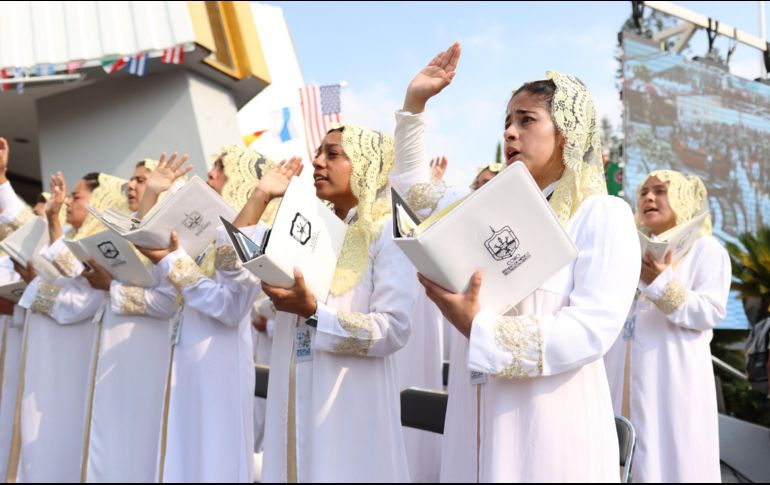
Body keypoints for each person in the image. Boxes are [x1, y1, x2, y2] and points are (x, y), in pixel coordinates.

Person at [391, 42, 641, 482]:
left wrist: (479, 327)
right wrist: (415, 105)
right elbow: (413, 193)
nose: (510, 132)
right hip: (475, 421)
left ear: (566, 132)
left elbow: (591, 330)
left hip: (552, 431)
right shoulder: (486, 212)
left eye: (526, 120)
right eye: (507, 122)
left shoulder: (600, 215)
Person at [232, 125, 414, 482]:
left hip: (347, 399)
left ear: (365, 164)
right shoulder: (308, 224)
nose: (317, 162)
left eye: (332, 154)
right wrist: (259, 196)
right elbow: (233, 259)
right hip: (293, 384)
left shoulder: (386, 231)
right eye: (318, 153)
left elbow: (394, 328)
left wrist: (314, 313)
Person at [138, 147, 276, 482]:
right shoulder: (205, 235)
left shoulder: (257, 237)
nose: (210, 173)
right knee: (180, 456)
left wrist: (172, 262)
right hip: (184, 358)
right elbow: (156, 265)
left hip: (218, 365)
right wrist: (152, 195)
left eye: (221, 168)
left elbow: (230, 308)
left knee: (212, 459)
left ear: (243, 181)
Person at [604, 170, 730, 483]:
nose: (648, 197)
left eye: (660, 191)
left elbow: (709, 312)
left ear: (682, 199)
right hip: (620, 372)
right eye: (644, 191)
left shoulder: (706, 250)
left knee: (672, 458)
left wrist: (659, 282)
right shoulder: (629, 252)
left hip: (672, 378)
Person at [8, 170, 127, 482]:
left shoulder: (101, 249)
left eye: (77, 196)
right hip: (46, 359)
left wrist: (34, 288)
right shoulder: (71, 241)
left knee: (57, 447)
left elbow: (79, 304)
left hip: (70, 364)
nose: (69, 202)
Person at [79, 158, 185, 482]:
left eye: (143, 180)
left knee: (136, 446)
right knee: (107, 439)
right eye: (134, 180)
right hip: (114, 352)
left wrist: (111, 287)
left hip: (146, 355)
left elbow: (169, 300)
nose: (134, 187)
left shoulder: (169, 239)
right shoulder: (124, 232)